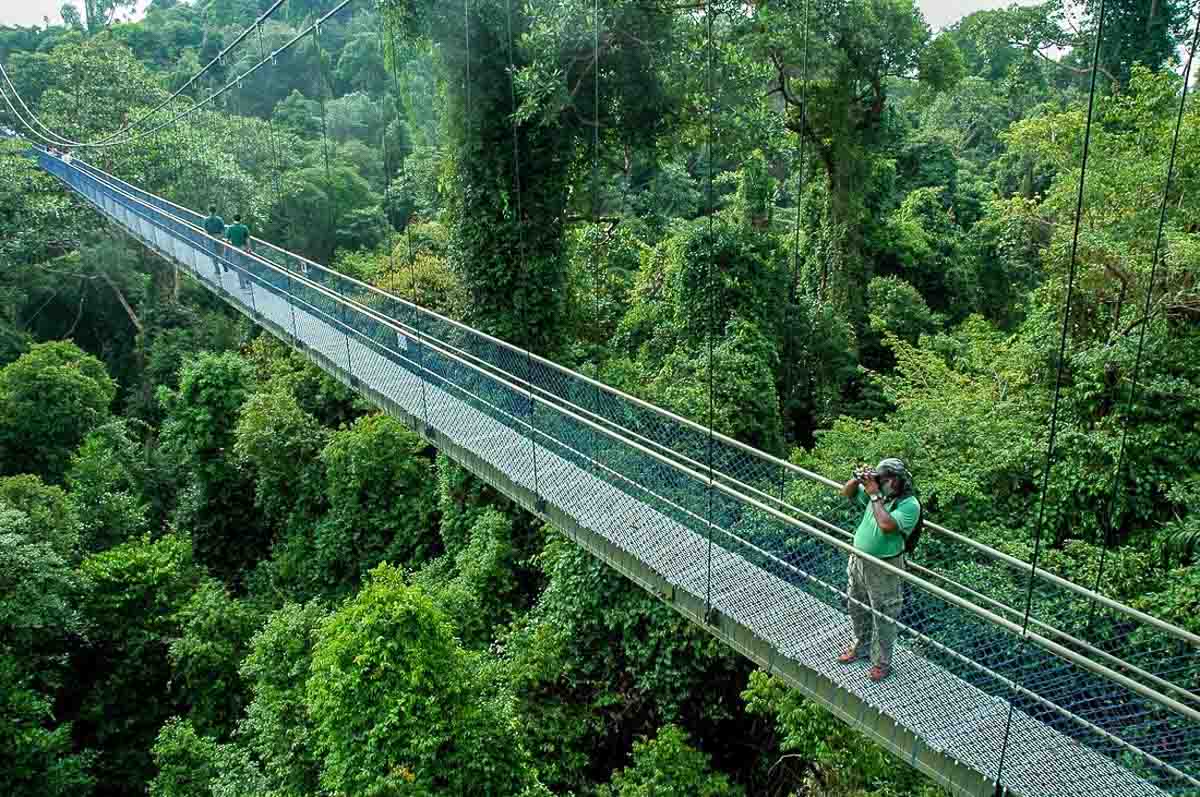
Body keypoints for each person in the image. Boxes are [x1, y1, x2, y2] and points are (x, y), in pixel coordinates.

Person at [837, 458, 920, 682]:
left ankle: (882, 663)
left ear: (895, 480)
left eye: (883, 480)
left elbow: (886, 525)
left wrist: (874, 494)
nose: (879, 483)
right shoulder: (881, 492)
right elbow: (846, 493)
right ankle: (861, 646)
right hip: (859, 560)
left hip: (884, 567)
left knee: (883, 615)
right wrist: (857, 479)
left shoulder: (909, 504)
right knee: (856, 606)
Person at [225, 215, 252, 290]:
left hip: (235, 248)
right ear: (241, 219)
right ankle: (247, 280)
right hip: (243, 248)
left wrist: (225, 248)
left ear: (233, 219)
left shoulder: (230, 228)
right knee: (245, 265)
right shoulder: (244, 227)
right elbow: (247, 239)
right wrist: (249, 248)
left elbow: (227, 239)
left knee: (238, 266)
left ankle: (242, 285)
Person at [202, 206, 226, 277]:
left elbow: (205, 231)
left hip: (210, 238)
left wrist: (207, 238)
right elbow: (223, 230)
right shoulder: (219, 219)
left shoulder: (206, 220)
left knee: (213, 256)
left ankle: (218, 271)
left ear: (209, 211)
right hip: (218, 237)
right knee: (221, 254)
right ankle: (223, 262)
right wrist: (220, 237)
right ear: (215, 211)